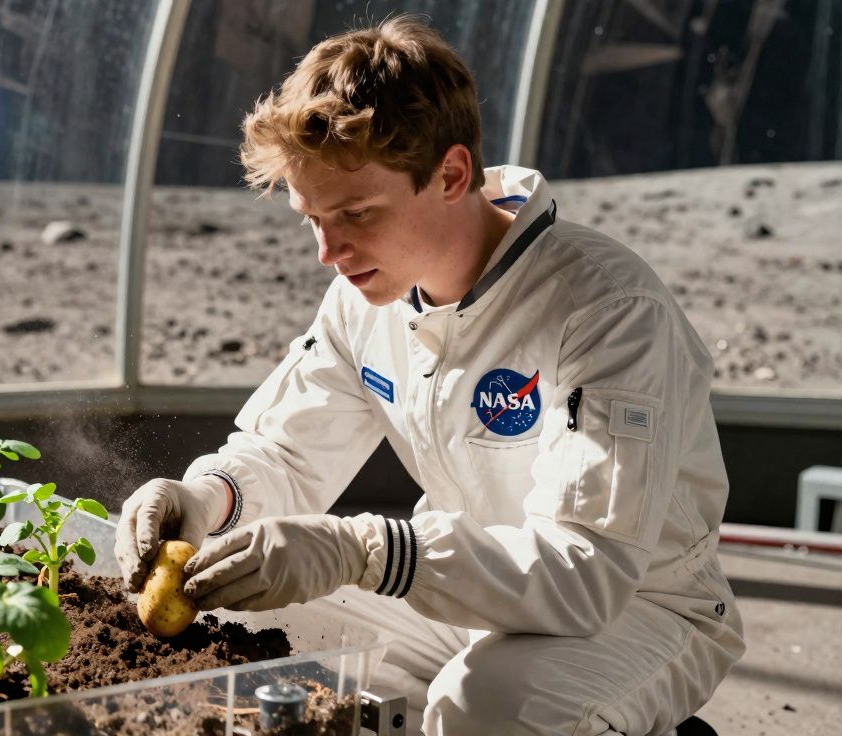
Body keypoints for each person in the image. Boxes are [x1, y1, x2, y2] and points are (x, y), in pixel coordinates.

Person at [114, 15, 745, 736]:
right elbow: (287, 453)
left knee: (489, 711)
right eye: (311, 217)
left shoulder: (606, 309)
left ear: (450, 174)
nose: (328, 250)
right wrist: (202, 499)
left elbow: (587, 570)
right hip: (472, 591)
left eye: (354, 212)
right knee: (267, 636)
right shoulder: (367, 295)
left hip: (641, 607)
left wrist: (364, 550)